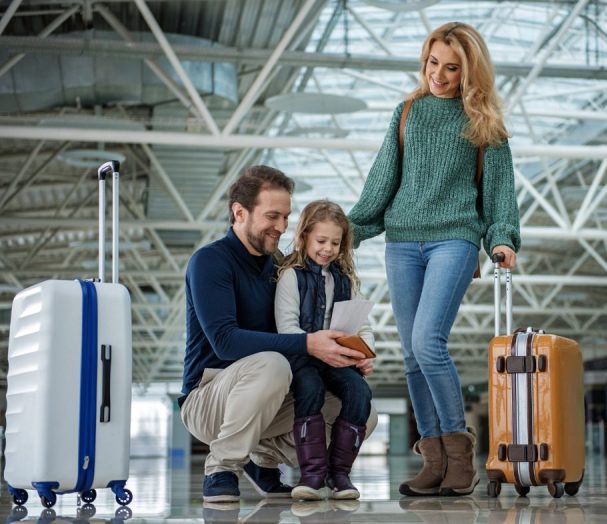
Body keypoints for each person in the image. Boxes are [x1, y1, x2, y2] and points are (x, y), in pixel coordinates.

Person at [348, 21, 520, 497]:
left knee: (428, 342)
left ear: (470, 72)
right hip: (402, 242)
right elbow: (384, 178)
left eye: (451, 68)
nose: (439, 75)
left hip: (455, 240)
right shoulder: (407, 112)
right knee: (410, 356)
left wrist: (502, 239)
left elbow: (500, 194)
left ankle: (459, 449)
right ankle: (434, 458)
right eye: (433, 63)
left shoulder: (486, 124)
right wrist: (353, 229)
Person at [180, 165, 376, 503]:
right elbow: (225, 342)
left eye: (286, 217)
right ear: (239, 212)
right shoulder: (210, 262)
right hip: (209, 396)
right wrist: (309, 343)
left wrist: (346, 350)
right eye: (272, 216)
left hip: (271, 397)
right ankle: (221, 467)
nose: (282, 227)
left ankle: (262, 459)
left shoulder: (282, 267)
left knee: (362, 408)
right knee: (273, 364)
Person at [274, 200, 374, 501]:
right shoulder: (291, 276)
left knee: (361, 393)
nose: (328, 249)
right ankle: (313, 474)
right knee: (311, 387)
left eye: (335, 242)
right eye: (321, 241)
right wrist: (316, 343)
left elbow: (362, 325)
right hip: (302, 358)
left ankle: (339, 473)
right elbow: (287, 327)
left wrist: (367, 352)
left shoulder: (345, 279)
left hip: (337, 358)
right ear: (304, 236)